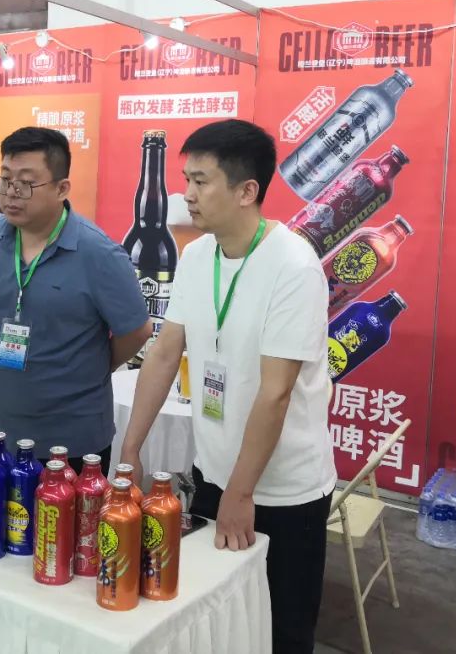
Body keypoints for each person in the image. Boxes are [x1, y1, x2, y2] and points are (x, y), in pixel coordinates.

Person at [120, 119, 336, 654]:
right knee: (215, 621)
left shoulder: (293, 267)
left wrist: (242, 493)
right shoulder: (198, 256)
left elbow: (276, 392)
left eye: (201, 182)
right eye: (186, 181)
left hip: (282, 491)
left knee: (281, 630)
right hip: (213, 473)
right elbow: (164, 352)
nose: (187, 196)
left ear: (246, 191)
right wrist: (130, 448)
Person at [0, 127, 152, 473]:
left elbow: (137, 331)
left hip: (70, 441)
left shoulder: (98, 253)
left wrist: (90, 367)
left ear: (61, 188)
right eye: (5, 180)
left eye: (26, 183)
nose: (11, 193)